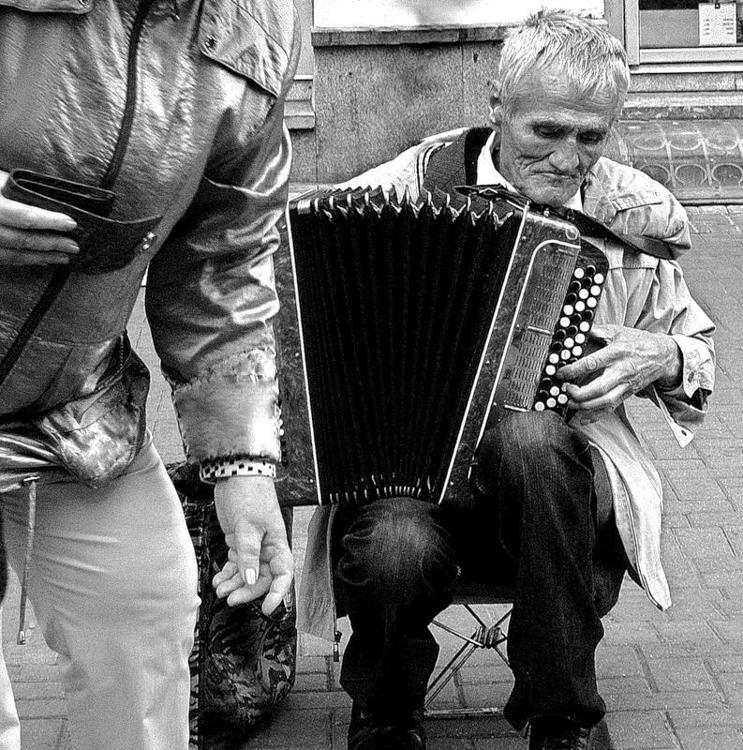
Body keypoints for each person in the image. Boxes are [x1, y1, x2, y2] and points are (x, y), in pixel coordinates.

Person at [296, 10, 715, 750]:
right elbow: (291, 301)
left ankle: (562, 721)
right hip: (410, 483)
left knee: (526, 436)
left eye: (590, 137)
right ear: (497, 107)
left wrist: (662, 356)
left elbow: (696, 355)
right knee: (393, 545)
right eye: (544, 132)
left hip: (556, 503)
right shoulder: (399, 191)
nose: (567, 158)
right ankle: (385, 720)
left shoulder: (630, 215)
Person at [0, 2, 299, 748]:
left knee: (144, 606)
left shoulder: (260, 19)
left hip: (69, 403)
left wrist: (242, 468)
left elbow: (221, 262)